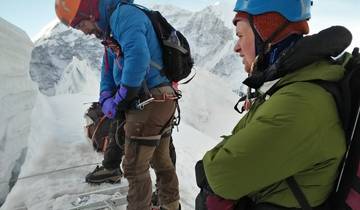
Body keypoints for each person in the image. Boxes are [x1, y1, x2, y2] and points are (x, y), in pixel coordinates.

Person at [196, 0, 350, 209]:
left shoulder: (300, 102)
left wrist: (207, 167)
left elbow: (222, 177)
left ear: (266, 33)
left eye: (241, 35)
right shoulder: (288, 85)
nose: (236, 47)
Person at [55, 1, 180, 209]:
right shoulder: (112, 29)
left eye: (80, 25)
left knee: (133, 167)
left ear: (90, 13)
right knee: (161, 160)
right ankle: (171, 205)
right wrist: (106, 96)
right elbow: (108, 69)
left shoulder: (124, 16)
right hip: (161, 99)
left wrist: (122, 97)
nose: (83, 32)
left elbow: (138, 57)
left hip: (149, 101)